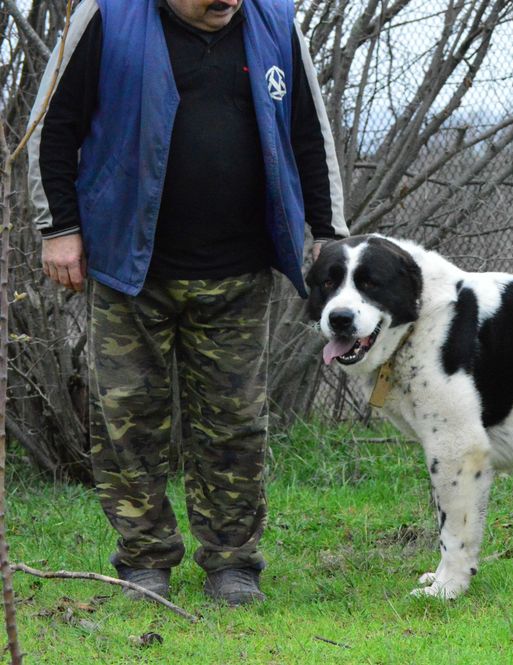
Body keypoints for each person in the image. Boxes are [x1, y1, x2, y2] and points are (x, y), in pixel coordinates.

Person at [26, 0, 348, 605]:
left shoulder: (275, 23)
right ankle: (145, 564)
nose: (225, 2)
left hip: (238, 271)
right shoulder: (108, 17)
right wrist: (58, 228)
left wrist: (329, 235)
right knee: (128, 425)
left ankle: (233, 565)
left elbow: (308, 132)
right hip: (130, 268)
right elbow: (54, 127)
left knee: (235, 425)